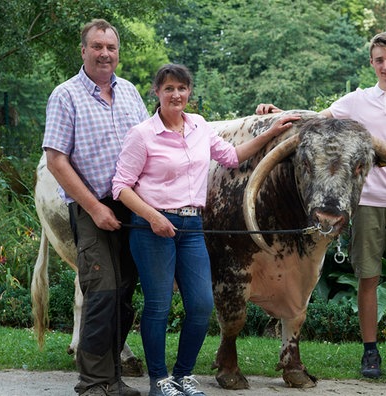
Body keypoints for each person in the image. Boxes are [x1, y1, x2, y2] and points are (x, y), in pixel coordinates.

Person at [256, 31, 386, 382]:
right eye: (379, 60)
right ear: (371, 63)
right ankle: (370, 352)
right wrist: (278, 113)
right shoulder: (356, 101)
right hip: (364, 203)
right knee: (367, 280)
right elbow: (316, 119)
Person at [112, 63, 299, 396]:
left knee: (201, 305)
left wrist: (270, 134)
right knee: (158, 306)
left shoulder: (198, 125)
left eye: (182, 88)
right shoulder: (142, 134)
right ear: (157, 92)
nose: (176, 94)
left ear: (189, 93)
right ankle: (159, 380)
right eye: (168, 88)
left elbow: (230, 156)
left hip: (192, 226)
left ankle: (183, 376)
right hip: (152, 226)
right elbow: (121, 187)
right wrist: (153, 216)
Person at [43, 19, 149, 396]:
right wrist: (94, 207)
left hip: (131, 207)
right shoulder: (66, 95)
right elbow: (56, 159)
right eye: (98, 46)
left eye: (111, 47)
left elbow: (150, 147)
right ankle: (92, 383)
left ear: (118, 53)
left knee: (122, 293)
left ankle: (112, 379)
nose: (105, 53)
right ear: (84, 50)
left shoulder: (132, 93)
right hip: (92, 208)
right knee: (102, 290)